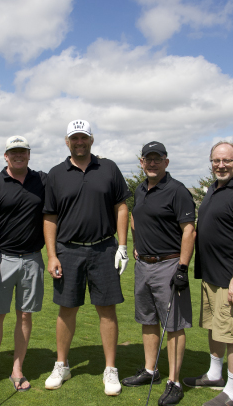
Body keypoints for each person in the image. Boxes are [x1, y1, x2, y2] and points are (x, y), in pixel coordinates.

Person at [41, 120, 132, 395]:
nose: (79, 142)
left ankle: (110, 369)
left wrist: (123, 246)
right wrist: (52, 255)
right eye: (74, 138)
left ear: (91, 139)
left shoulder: (109, 168)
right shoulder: (56, 174)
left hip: (104, 248)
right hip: (68, 250)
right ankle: (62, 365)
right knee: (67, 308)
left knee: (107, 309)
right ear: (66, 141)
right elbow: (50, 217)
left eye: (84, 137)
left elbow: (121, 206)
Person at [183, 141, 233, 406]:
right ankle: (215, 374)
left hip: (231, 279)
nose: (221, 165)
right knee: (214, 328)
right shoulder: (214, 188)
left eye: (227, 161)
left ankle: (232, 391)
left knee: (232, 335)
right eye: (216, 160)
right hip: (211, 276)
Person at [119, 141, 197, 406]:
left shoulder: (177, 191)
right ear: (141, 162)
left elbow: (189, 230)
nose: (152, 163)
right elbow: (135, 220)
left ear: (166, 161)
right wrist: (137, 246)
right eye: (147, 159)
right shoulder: (140, 190)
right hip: (144, 265)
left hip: (169, 265)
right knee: (148, 320)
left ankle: (174, 382)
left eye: (157, 158)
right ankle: (150, 370)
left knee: (173, 325)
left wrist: (183, 268)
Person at [0, 136, 46, 393]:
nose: (18, 155)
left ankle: (17, 369)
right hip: (2, 258)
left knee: (25, 316)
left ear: (29, 154)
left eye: (22, 151)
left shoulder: (42, 181)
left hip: (33, 258)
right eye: (13, 152)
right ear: (6, 156)